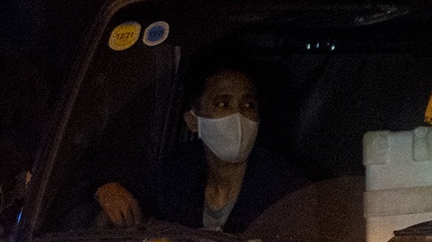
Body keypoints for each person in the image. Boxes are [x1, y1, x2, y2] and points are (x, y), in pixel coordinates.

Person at [94, 68, 305, 233]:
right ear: (193, 121)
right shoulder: (175, 170)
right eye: (223, 104)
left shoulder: (285, 186)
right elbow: (127, 192)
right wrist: (105, 188)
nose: (238, 116)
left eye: (249, 105)